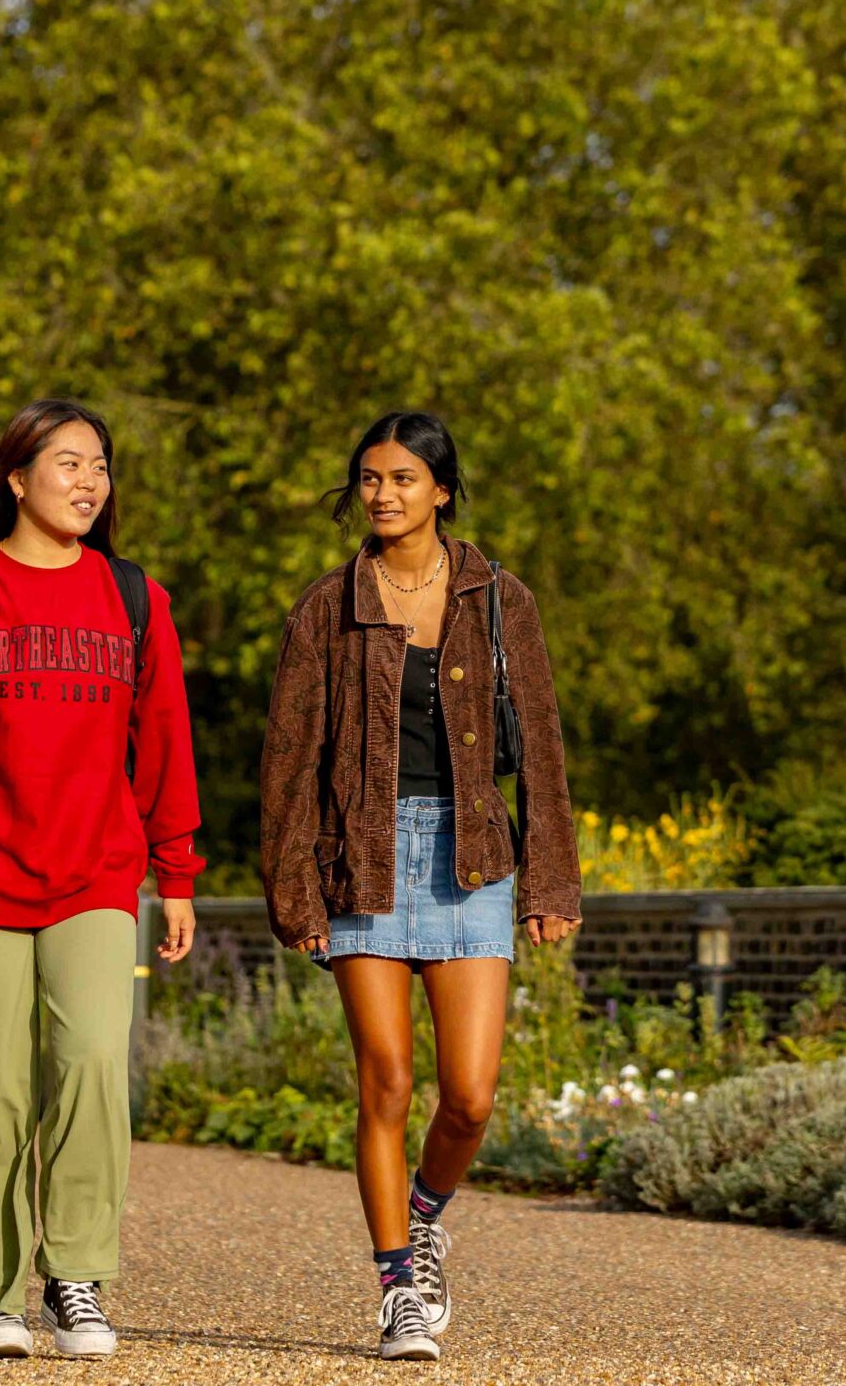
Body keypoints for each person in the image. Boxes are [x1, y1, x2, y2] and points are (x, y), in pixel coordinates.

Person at [0, 398, 203, 1361]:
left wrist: (174, 870)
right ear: (16, 477)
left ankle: (78, 1274)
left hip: (97, 874)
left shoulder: (135, 599)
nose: (90, 482)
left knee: (94, 1066)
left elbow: (165, 746)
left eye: (100, 466)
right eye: (68, 463)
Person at [259, 410, 580, 1362]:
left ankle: (427, 1215)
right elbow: (288, 759)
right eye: (369, 478)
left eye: (402, 478)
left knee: (471, 1096)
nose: (383, 494)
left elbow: (546, 743)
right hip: (362, 856)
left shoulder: (497, 598)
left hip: (473, 853)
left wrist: (550, 877)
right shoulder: (328, 606)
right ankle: (399, 1283)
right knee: (387, 1080)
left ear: (442, 490)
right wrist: (295, 893)